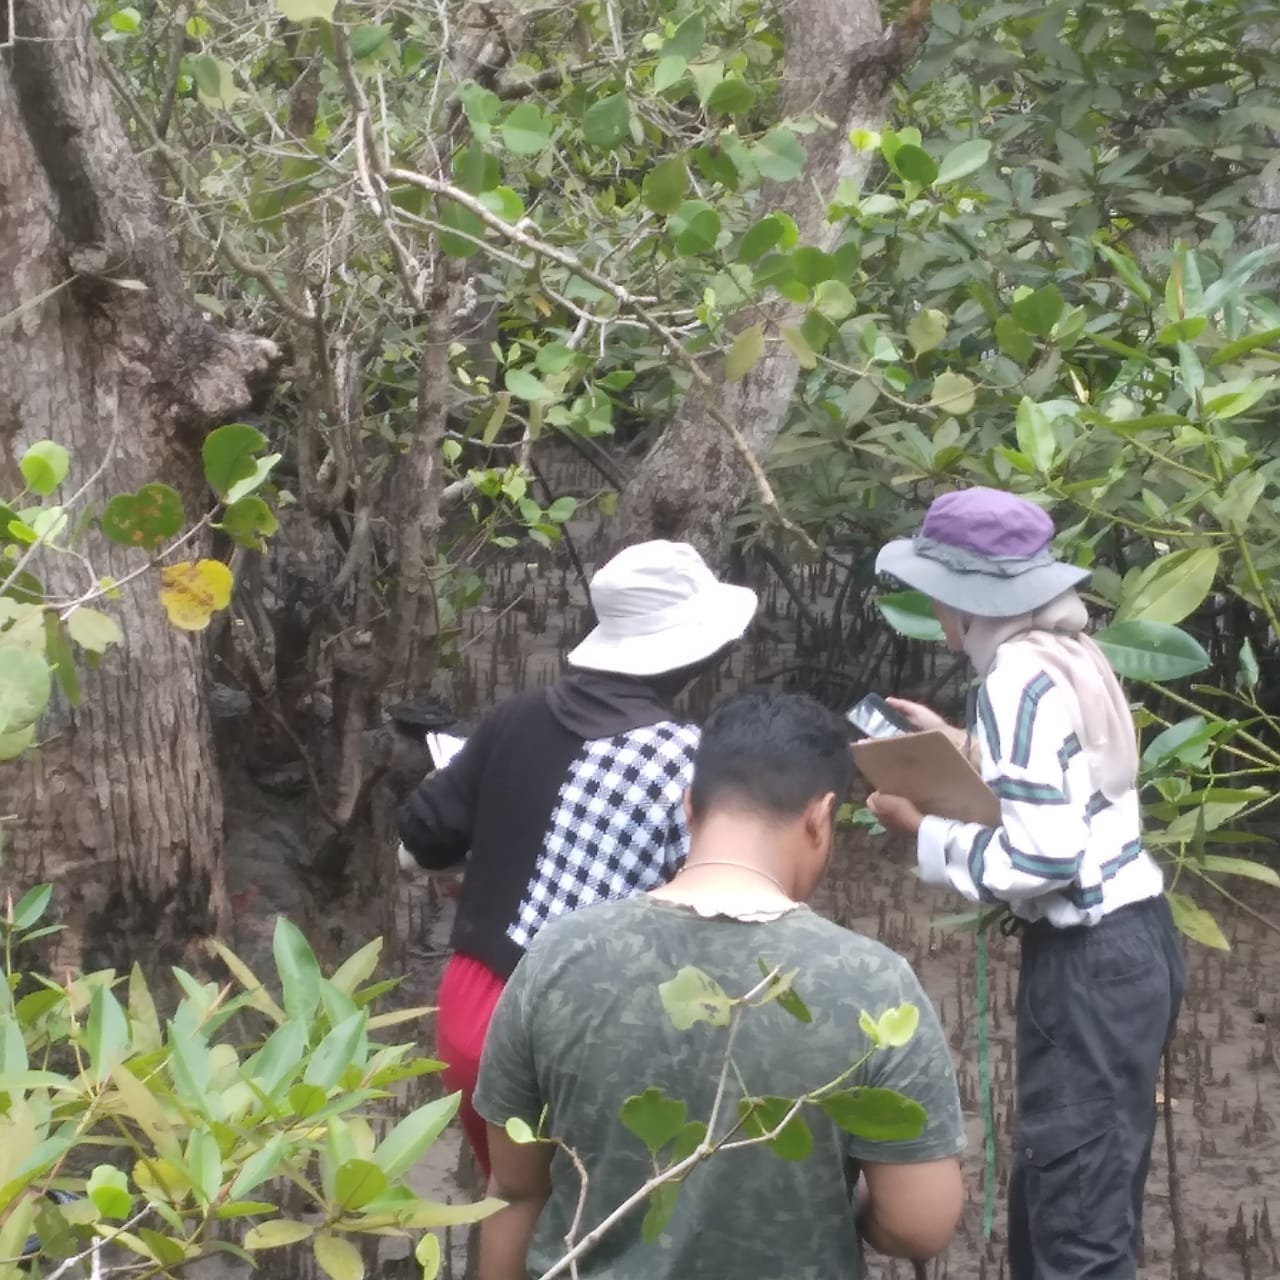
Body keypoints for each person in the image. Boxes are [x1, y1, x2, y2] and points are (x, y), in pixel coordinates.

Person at [473, 690, 966, 1280]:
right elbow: (920, 1224)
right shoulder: (875, 981)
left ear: (688, 808)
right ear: (819, 816)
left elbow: (514, 1190)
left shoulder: (556, 955)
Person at [865, 487, 1186, 1280]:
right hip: (1137, 945)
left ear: (961, 599)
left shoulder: (1014, 677)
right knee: (1086, 1192)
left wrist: (926, 832)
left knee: (1075, 1221)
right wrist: (962, 747)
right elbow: (1069, 777)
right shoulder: (1072, 653)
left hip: (1090, 965)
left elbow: (1045, 859)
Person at [397, 540, 758, 1177]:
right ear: (697, 652)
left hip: (471, 1009)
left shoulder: (517, 714)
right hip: (580, 1029)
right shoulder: (687, 759)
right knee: (582, 1228)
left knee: (511, 1203)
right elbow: (718, 921)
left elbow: (424, 837)